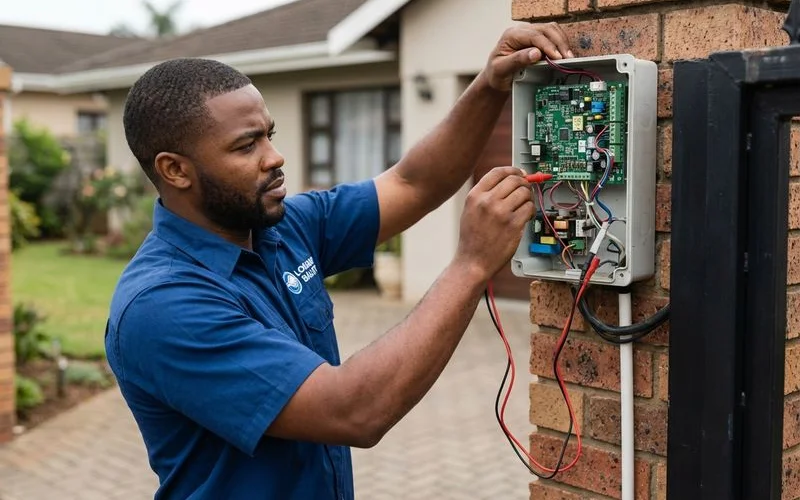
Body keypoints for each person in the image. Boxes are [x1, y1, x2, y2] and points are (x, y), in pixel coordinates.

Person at [105, 22, 573, 500]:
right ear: (175, 170)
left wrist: (488, 85)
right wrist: (471, 265)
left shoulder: (279, 228)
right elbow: (353, 411)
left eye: (270, 135)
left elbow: (413, 183)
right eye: (247, 146)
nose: (275, 157)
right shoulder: (163, 305)